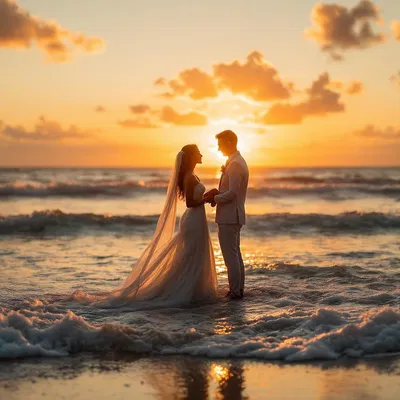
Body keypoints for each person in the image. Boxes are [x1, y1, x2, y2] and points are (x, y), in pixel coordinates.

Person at [107, 144, 218, 307]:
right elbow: (190, 203)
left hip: (197, 218)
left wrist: (207, 195)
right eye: (198, 152)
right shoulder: (188, 176)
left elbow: (195, 198)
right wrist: (207, 199)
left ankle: (195, 290)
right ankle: (184, 290)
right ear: (192, 156)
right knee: (190, 255)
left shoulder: (192, 175)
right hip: (193, 219)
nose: (201, 154)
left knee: (195, 254)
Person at [204, 130, 249, 300]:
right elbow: (229, 190)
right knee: (235, 254)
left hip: (230, 216)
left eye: (220, 144)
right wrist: (217, 192)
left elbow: (233, 193)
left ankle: (235, 292)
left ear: (230, 142)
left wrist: (215, 198)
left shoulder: (236, 164)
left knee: (231, 256)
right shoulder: (234, 161)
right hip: (231, 216)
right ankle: (238, 289)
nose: (218, 148)